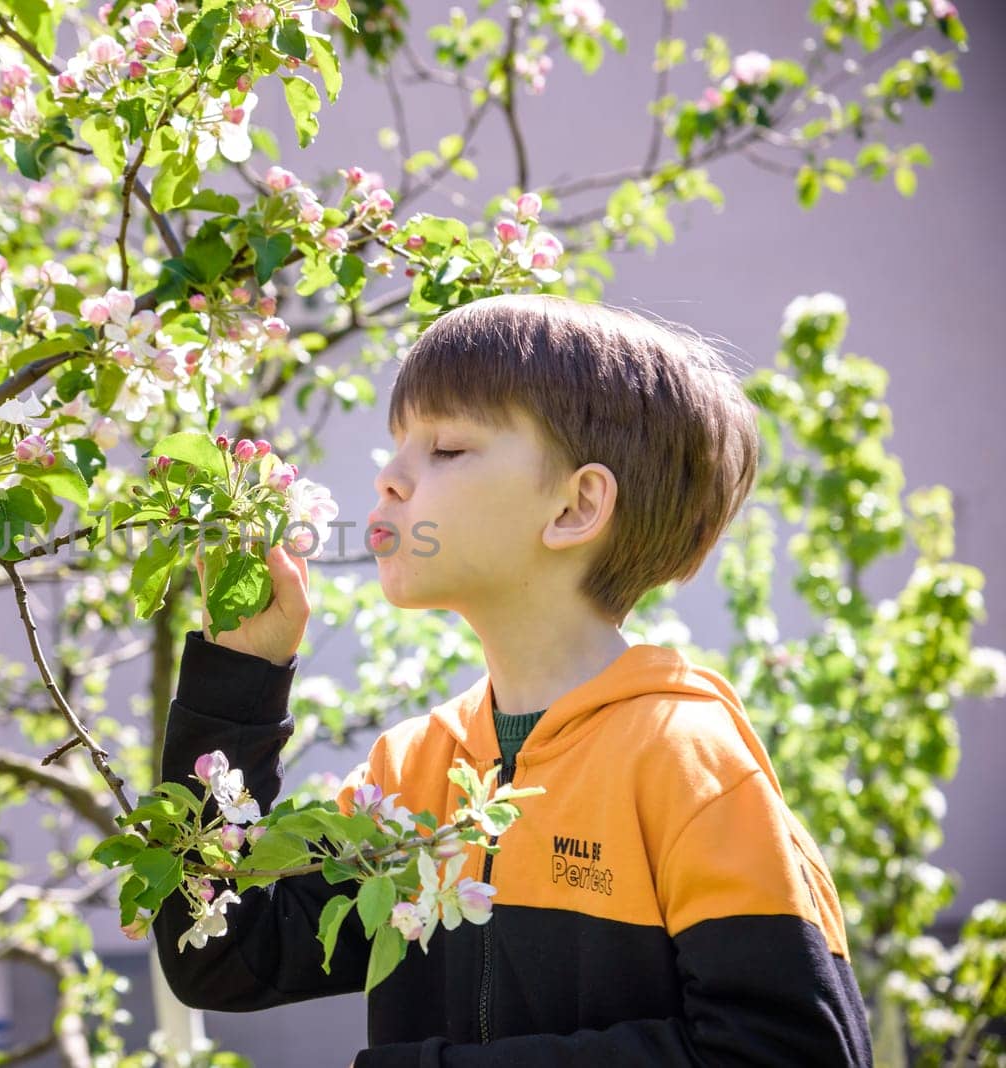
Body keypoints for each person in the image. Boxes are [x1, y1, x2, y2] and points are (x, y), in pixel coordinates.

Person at [151, 294, 874, 1066]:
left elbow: (791, 1052)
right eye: (397, 446)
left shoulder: (686, 761)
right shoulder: (413, 772)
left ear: (577, 505)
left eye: (447, 448)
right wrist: (241, 674)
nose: (391, 479)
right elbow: (223, 950)